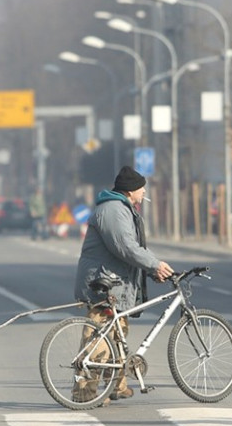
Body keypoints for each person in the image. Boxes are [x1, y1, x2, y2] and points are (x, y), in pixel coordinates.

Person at [73, 166, 174, 403]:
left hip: (114, 281)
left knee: (117, 335)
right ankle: (84, 392)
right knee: (98, 340)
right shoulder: (112, 210)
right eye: (142, 188)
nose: (144, 192)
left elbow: (132, 247)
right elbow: (125, 247)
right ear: (131, 191)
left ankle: (117, 385)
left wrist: (152, 268)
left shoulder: (123, 208)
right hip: (103, 283)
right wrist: (154, 265)